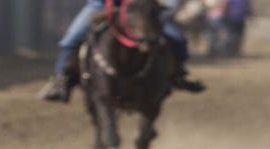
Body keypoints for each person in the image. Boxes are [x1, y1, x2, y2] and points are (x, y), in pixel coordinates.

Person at [40, 0, 203, 102]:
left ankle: (179, 75)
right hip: (101, 5)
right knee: (71, 39)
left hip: (141, 7)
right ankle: (61, 80)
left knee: (177, 38)